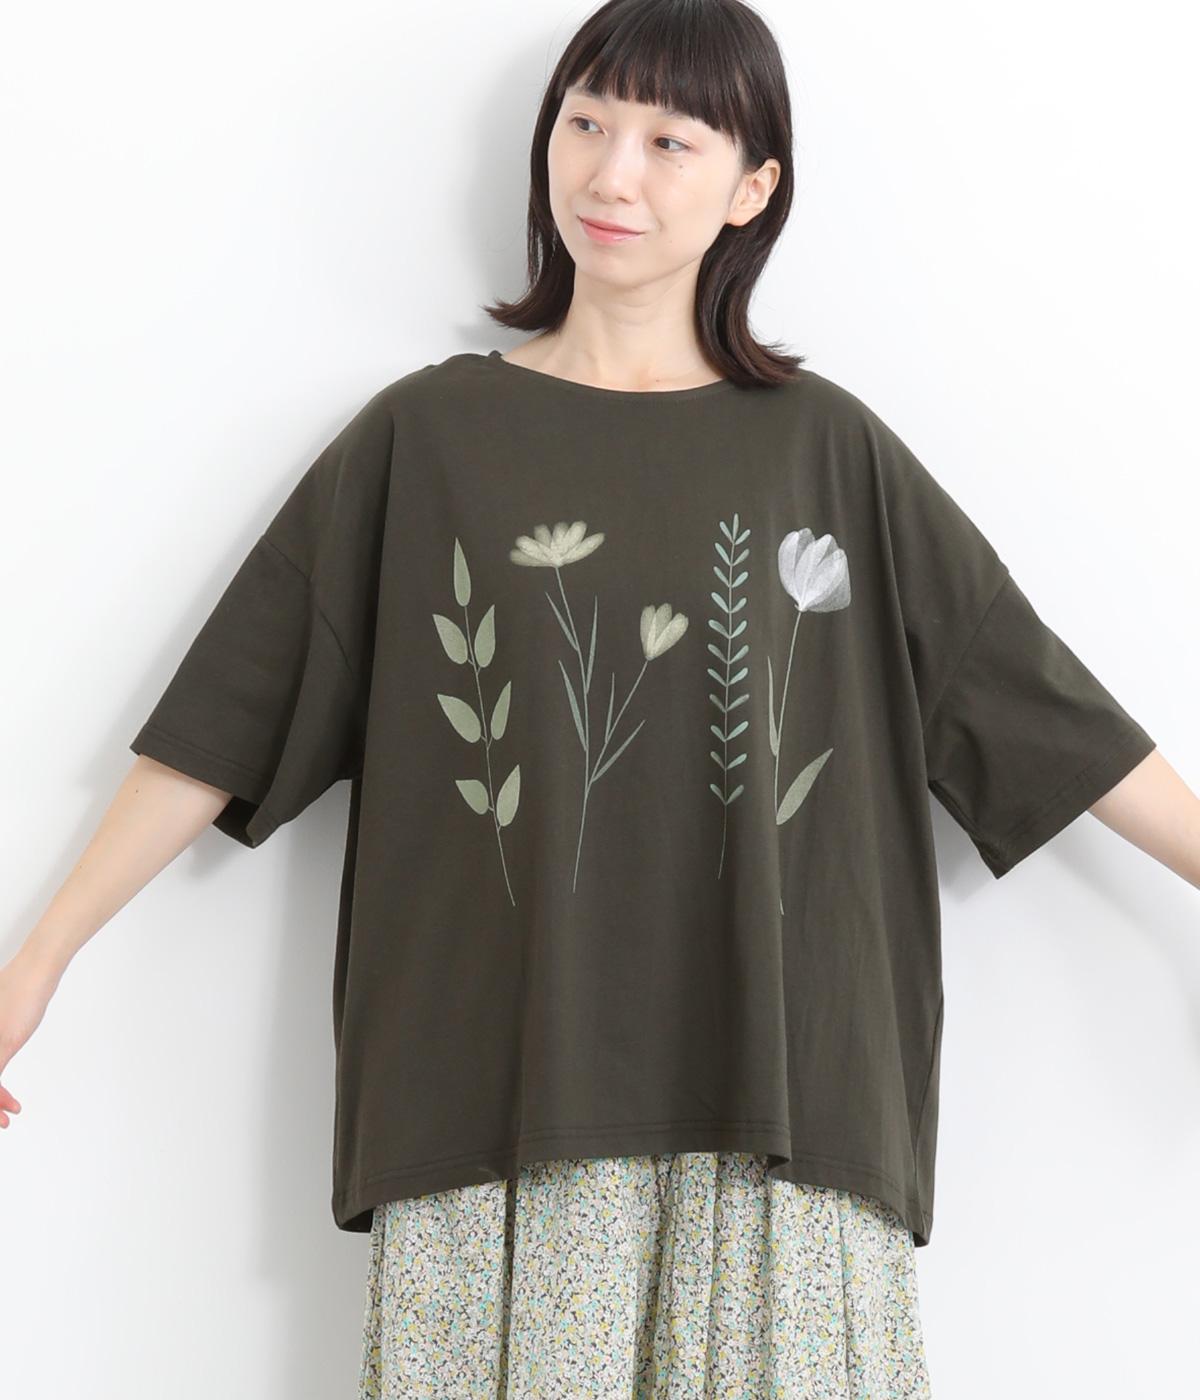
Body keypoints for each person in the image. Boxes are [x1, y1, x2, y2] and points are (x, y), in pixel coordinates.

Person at [2, 0, 1195, 1395]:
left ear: (753, 187)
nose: (611, 172)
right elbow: (226, 718)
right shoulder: (427, 438)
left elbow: (1041, 713)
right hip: (500, 1117)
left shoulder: (829, 453)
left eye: (670, 140)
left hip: (780, 1123)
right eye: (585, 122)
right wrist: (37, 964)